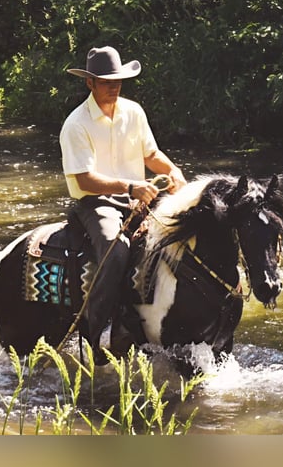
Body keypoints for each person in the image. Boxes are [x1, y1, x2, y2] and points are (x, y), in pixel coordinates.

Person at [59, 45, 187, 359]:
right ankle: (98, 328)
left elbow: (151, 154)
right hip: (97, 203)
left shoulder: (134, 112)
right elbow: (85, 180)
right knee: (116, 250)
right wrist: (130, 187)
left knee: (183, 232)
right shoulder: (76, 125)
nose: (114, 86)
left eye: (117, 80)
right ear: (90, 83)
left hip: (139, 196)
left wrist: (173, 172)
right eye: (106, 81)